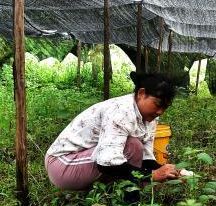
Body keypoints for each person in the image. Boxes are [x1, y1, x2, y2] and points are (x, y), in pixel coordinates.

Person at [45, 72, 181, 191]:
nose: (160, 112)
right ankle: (130, 204)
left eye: (165, 107)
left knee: (134, 148)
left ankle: (126, 200)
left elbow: (146, 158)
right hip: (61, 165)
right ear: (141, 94)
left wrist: (167, 171)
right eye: (158, 104)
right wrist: (152, 175)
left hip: (82, 161)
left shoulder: (149, 118)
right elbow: (108, 163)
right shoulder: (121, 111)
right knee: (131, 146)